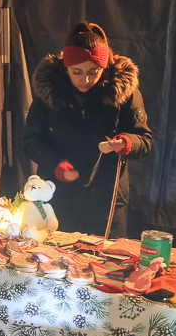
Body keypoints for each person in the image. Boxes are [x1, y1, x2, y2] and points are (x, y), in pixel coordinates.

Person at [24, 20, 152, 238]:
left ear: (105, 67)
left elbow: (145, 139)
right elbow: (31, 140)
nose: (85, 79)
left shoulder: (123, 91)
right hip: (56, 193)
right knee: (53, 263)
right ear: (66, 68)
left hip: (107, 198)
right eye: (77, 72)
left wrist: (127, 142)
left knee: (105, 263)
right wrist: (55, 163)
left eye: (94, 71)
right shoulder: (49, 90)